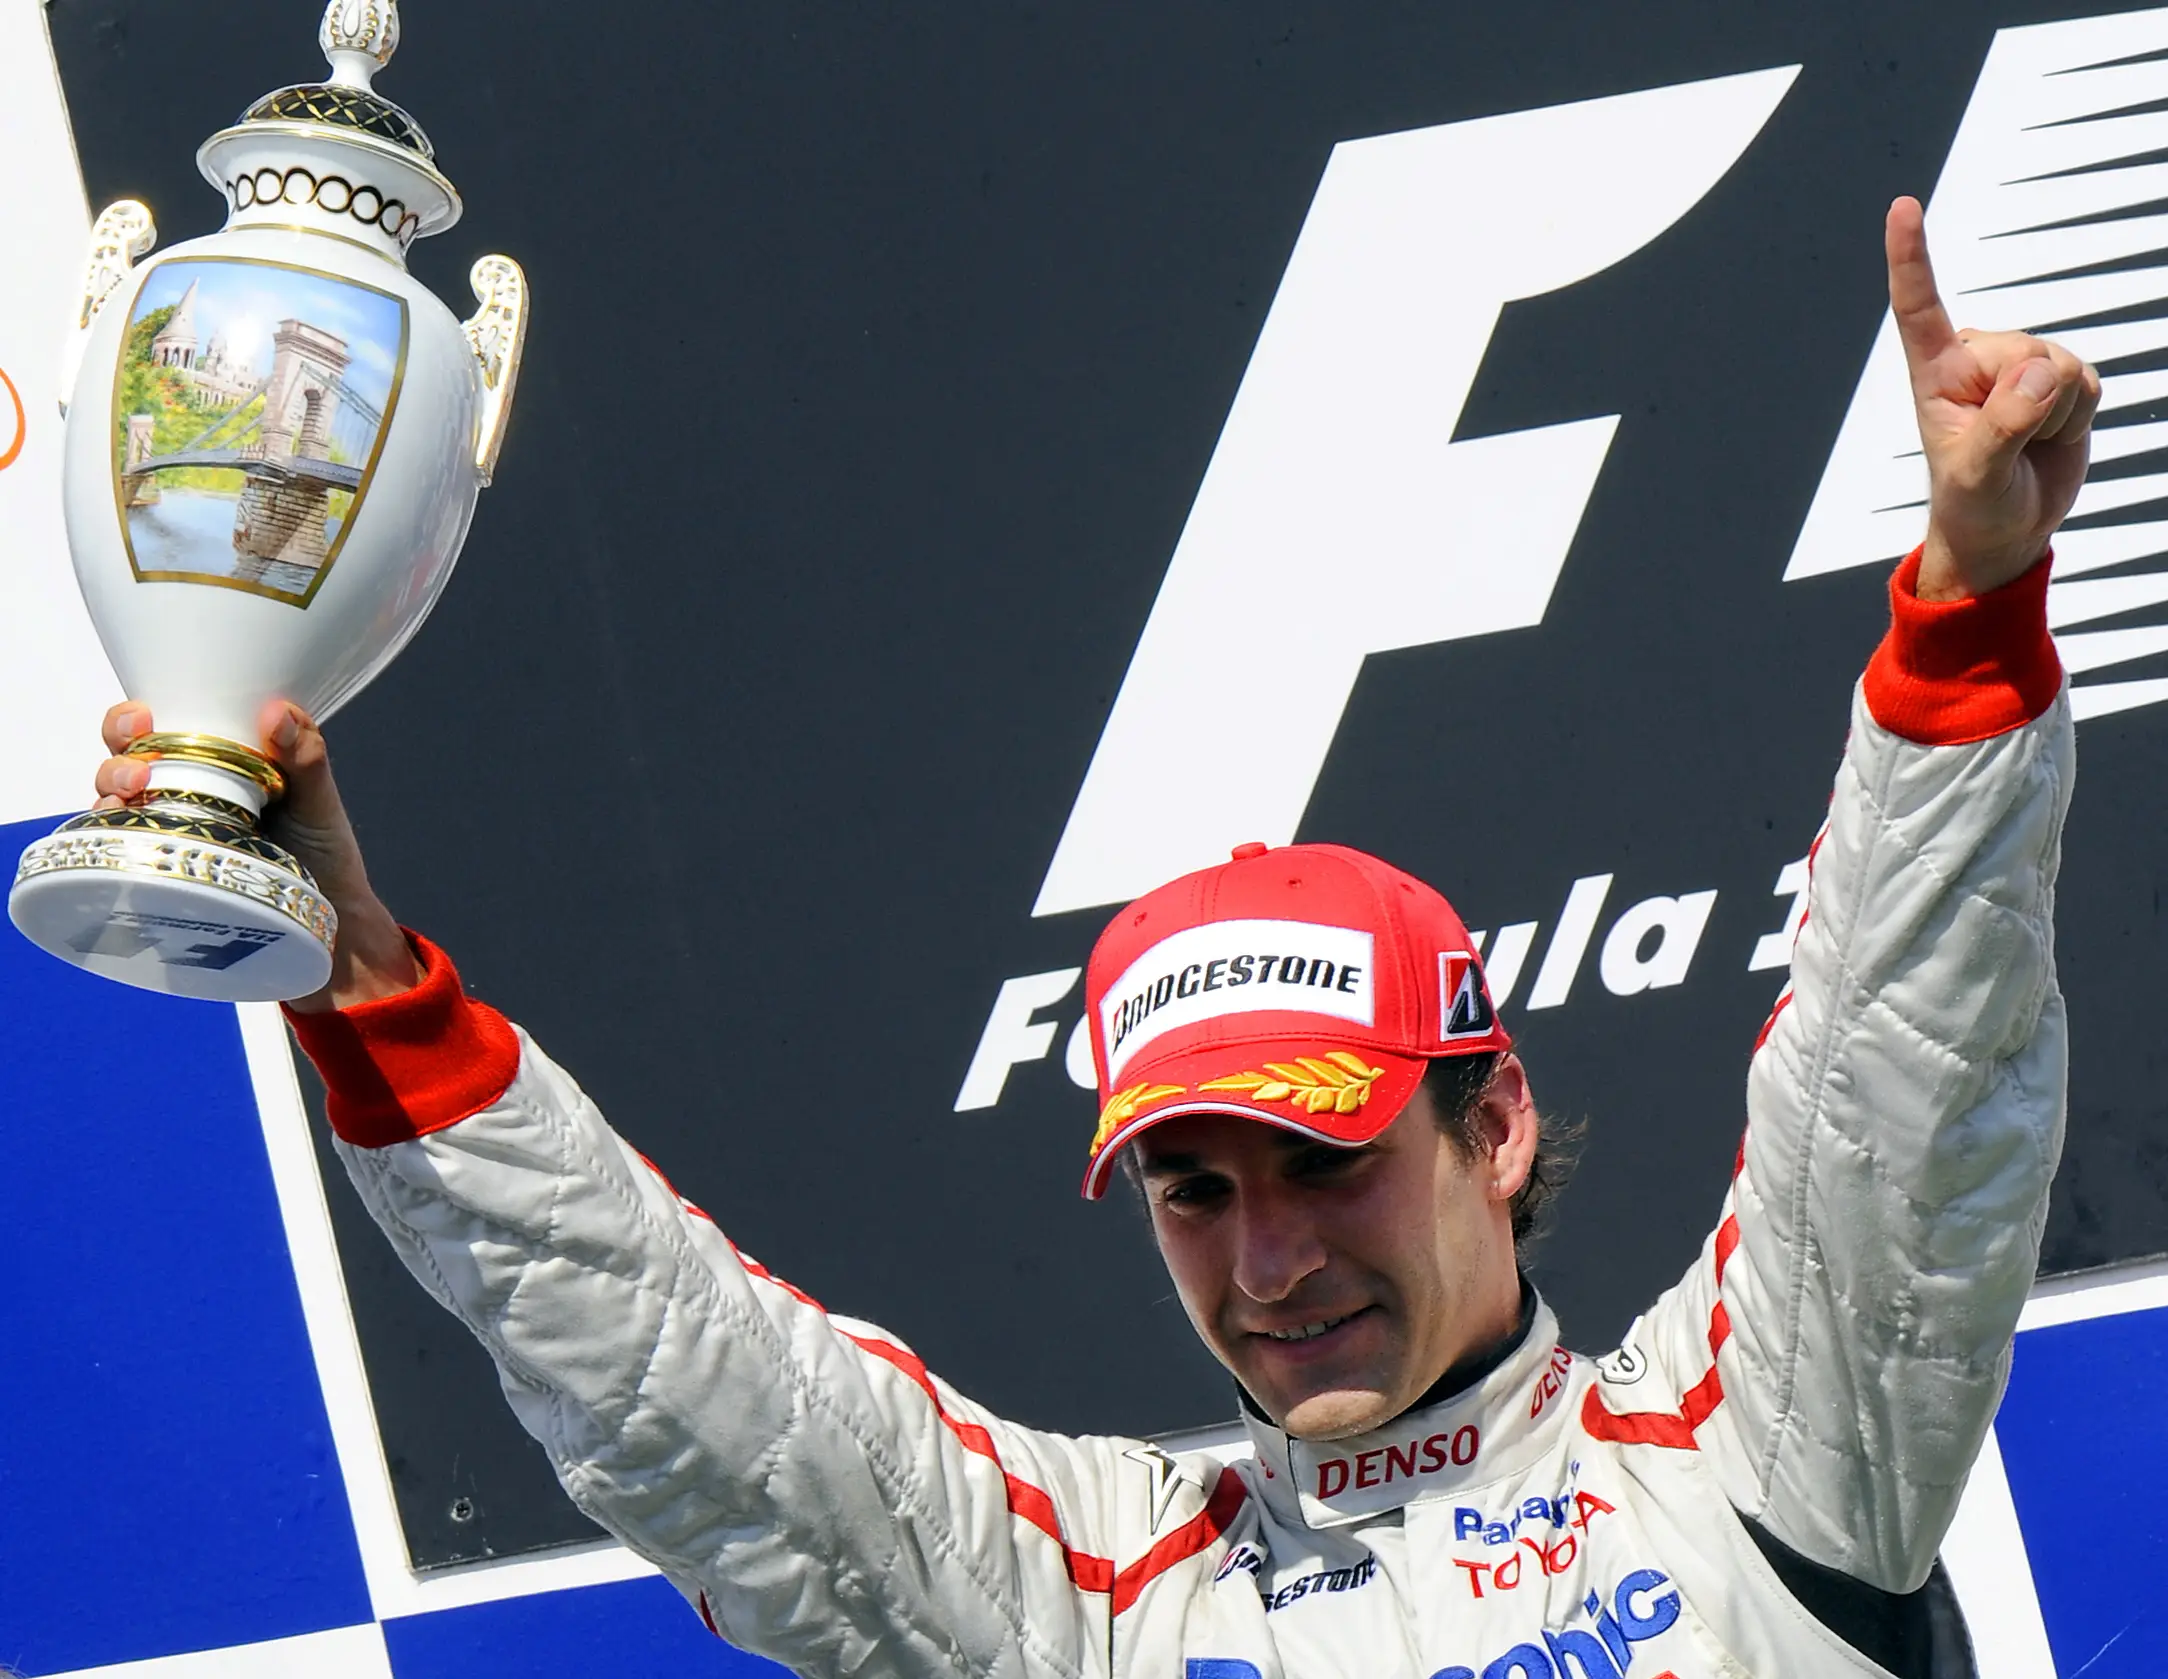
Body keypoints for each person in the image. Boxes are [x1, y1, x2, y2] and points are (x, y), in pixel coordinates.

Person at [92, 200, 2090, 1677]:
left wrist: (1973, 603)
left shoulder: (1756, 1453)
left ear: (1490, 1126)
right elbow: (720, 1405)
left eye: (1324, 1155)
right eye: (1196, 1185)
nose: (1272, 1252)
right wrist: (368, 988)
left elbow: (1900, 1076)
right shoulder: (1107, 1600)